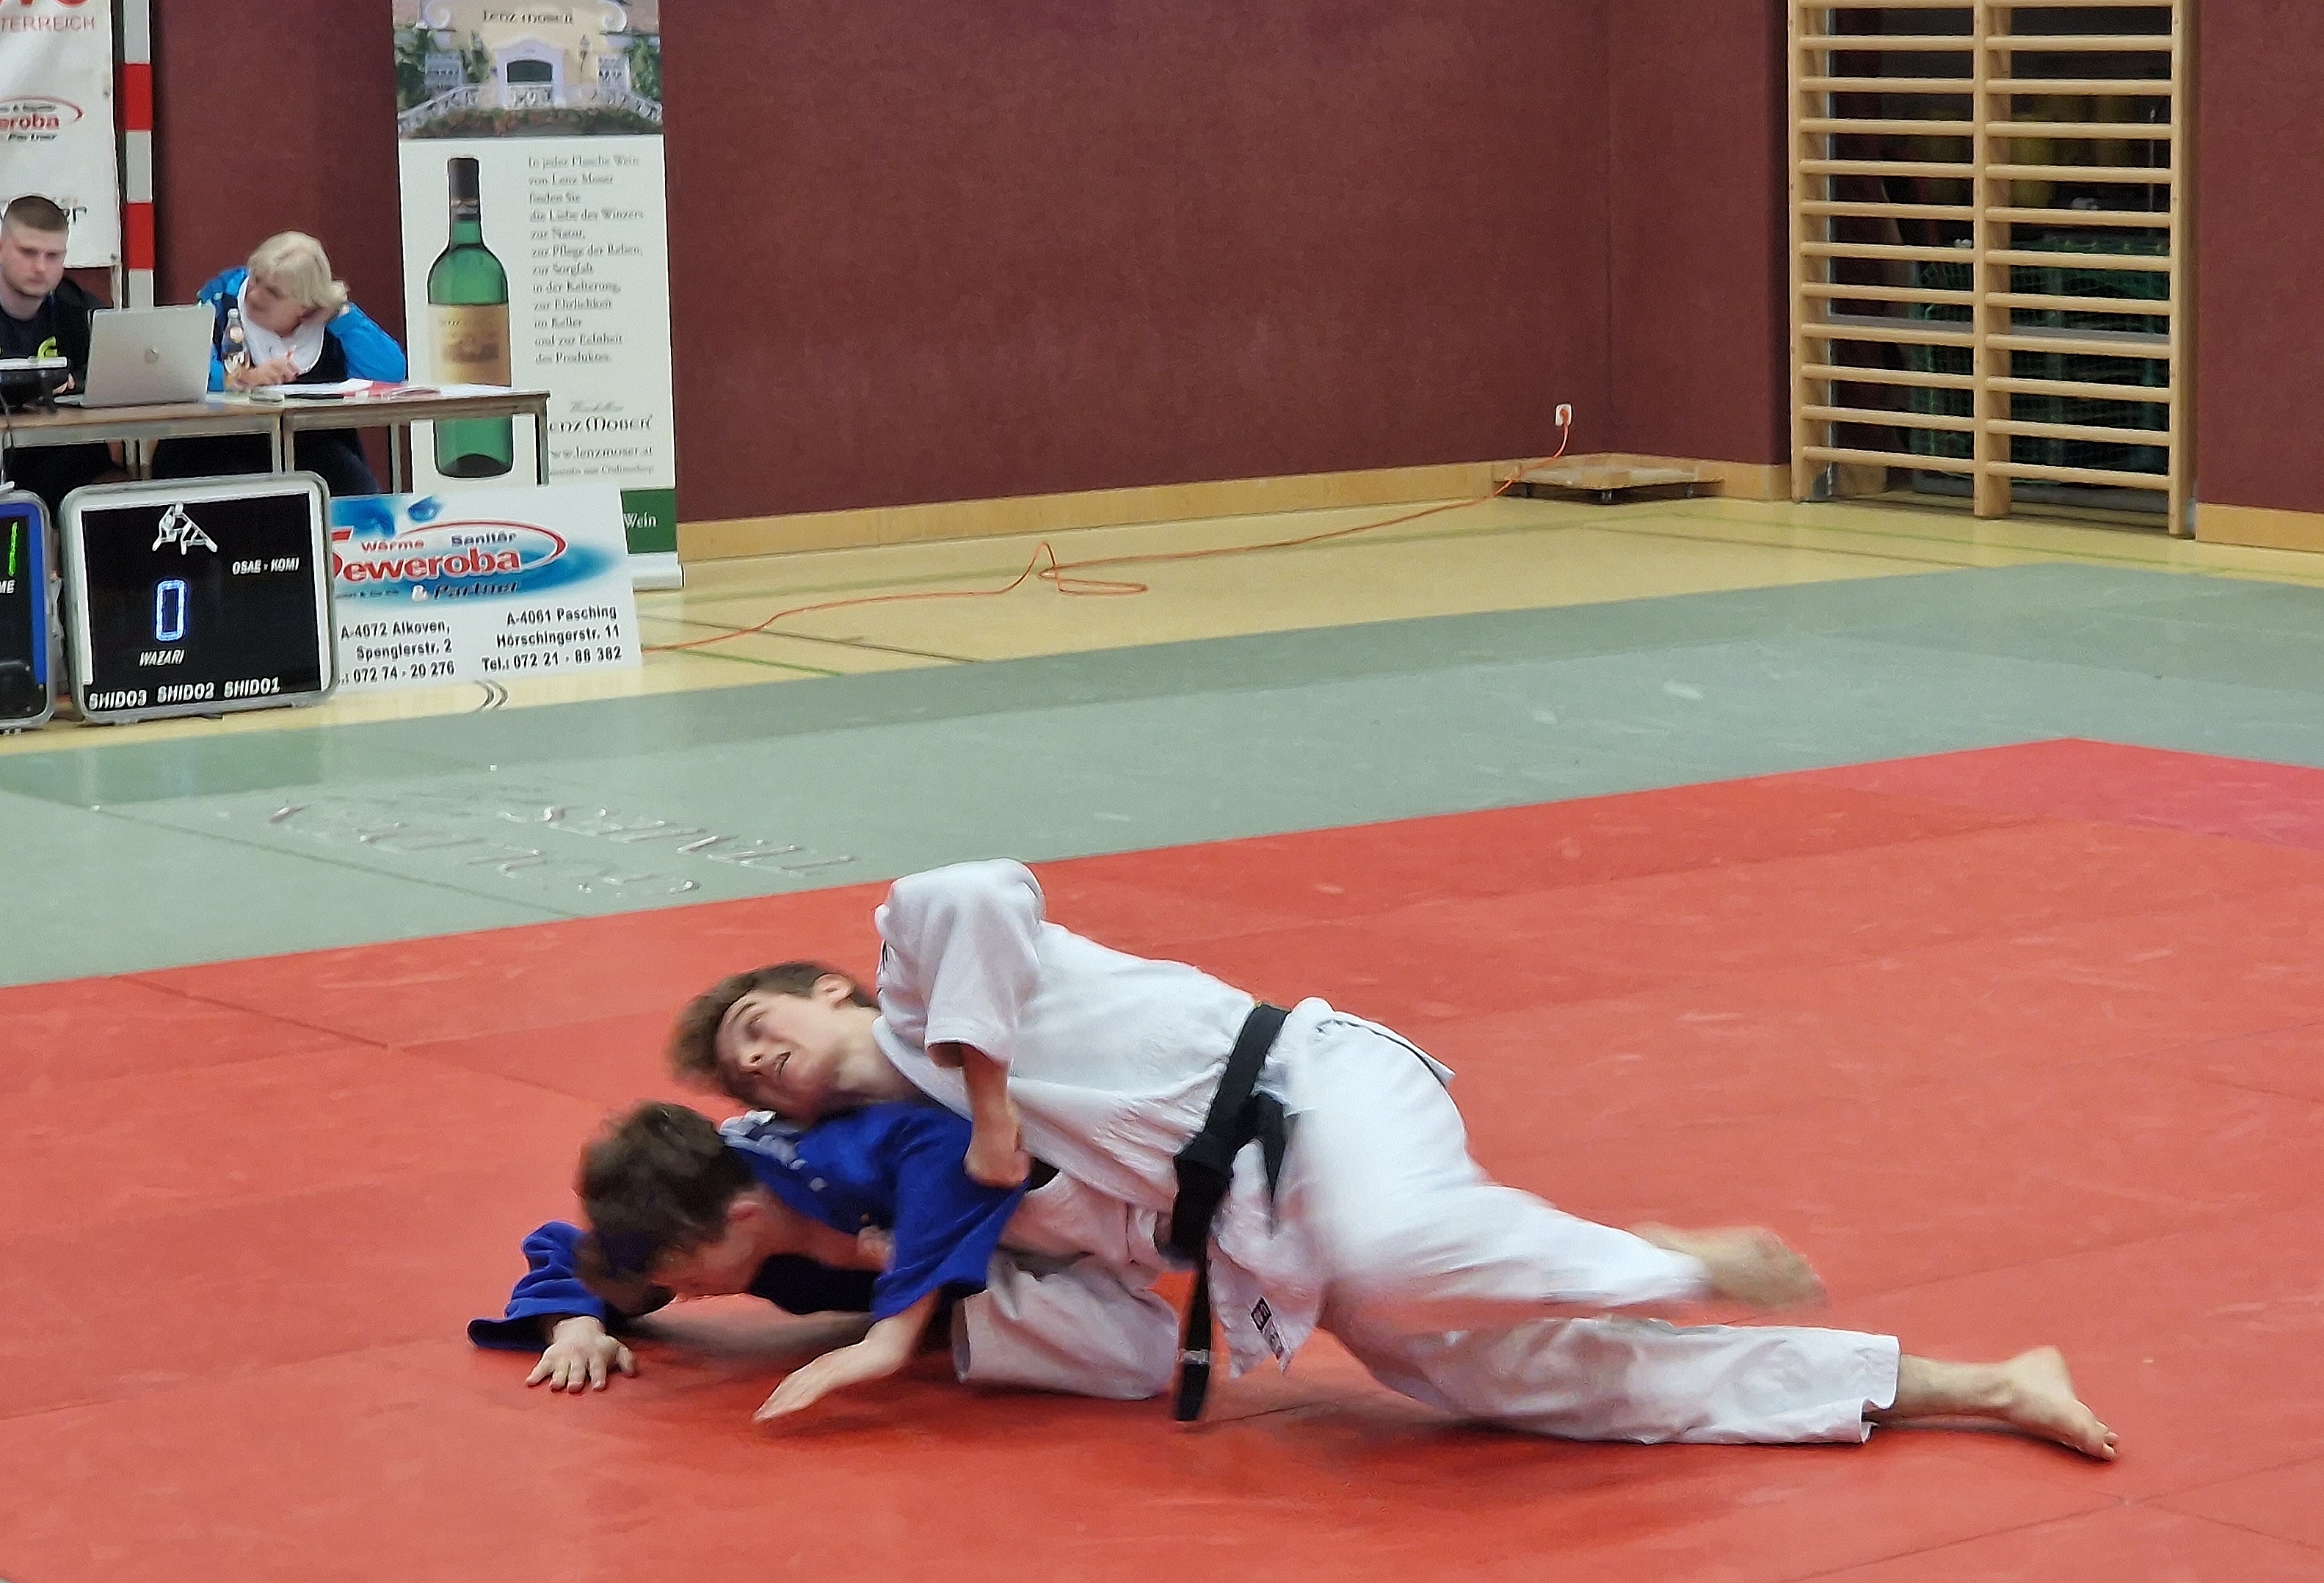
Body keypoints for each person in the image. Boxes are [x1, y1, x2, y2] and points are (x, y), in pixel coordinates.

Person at [667, 859, 2120, 1457]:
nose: (762, 1057)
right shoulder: (915, 1144)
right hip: (1261, 1223)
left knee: (1392, 1244)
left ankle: (1672, 1258)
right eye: (746, 1069)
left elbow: (980, 884)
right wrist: (600, 1305)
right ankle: (1970, 1380)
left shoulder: (912, 967)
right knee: (1522, 1380)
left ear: (827, 989)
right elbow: (684, 1207)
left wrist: (989, 1096)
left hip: (1317, 1083)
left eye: (758, 1022)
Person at [473, 1098, 1185, 1417]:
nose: (683, 1294)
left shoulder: (854, 1166)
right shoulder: (704, 1211)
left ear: (745, 1220)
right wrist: (575, 1324)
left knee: (1137, 1359)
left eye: (687, 1277)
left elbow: (953, 1148)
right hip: (956, 1259)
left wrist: (905, 1276)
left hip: (1073, 1199)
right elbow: (570, 1250)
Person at [152, 231, 405, 498]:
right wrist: (242, 379)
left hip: (312, 445)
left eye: (273, 293)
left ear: (306, 306)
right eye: (255, 279)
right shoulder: (221, 299)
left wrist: (344, 318)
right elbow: (184, 371)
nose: (254, 295)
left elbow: (390, 372)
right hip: (216, 444)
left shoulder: (333, 323)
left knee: (356, 489)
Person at [0, 194, 114, 517]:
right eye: (28, 253)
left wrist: (77, 381)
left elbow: (117, 368)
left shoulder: (78, 307)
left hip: (56, 455)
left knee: (111, 475)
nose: (41, 267)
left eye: (53, 256)